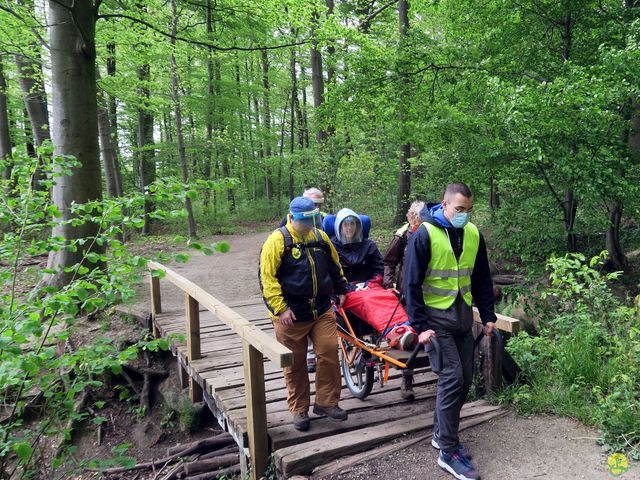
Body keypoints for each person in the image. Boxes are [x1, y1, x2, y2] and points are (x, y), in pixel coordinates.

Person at [403, 182, 496, 480]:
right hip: (435, 321)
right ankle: (448, 450)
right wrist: (420, 327)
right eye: (459, 210)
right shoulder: (424, 235)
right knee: (452, 378)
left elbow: (482, 277)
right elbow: (411, 284)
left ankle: (441, 434)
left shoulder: (472, 234)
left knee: (466, 378)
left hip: (462, 316)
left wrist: (489, 315)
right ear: (444, 205)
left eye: (468, 210)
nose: (464, 216)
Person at [259, 196, 350, 432]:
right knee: (295, 363)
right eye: (305, 220)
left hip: (321, 310)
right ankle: (299, 408)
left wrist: (341, 288)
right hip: (291, 315)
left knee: (329, 352)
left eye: (313, 219)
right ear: (292, 218)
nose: (309, 224)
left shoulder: (320, 238)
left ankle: (326, 402)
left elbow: (334, 265)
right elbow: (267, 279)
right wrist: (280, 309)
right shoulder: (277, 242)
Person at [381, 200, 425, 400]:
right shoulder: (402, 236)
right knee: (410, 334)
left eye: (421, 216)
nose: (417, 220)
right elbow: (389, 261)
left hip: (429, 292)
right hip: (406, 292)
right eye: (415, 216)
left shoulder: (430, 234)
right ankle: (406, 380)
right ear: (410, 216)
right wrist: (389, 285)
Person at [330, 208, 384, 284]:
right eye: (345, 225)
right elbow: (331, 273)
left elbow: (379, 269)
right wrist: (349, 288)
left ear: (357, 225)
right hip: (344, 288)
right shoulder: (332, 246)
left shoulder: (369, 245)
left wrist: (371, 284)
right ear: (339, 227)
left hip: (369, 286)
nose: (349, 228)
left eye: (352, 224)